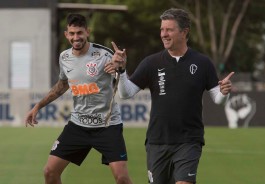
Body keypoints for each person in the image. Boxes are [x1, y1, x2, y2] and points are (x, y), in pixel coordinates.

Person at [105, 8, 234, 184]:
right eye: (162, 29)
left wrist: (224, 92)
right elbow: (126, 93)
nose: (163, 34)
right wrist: (121, 70)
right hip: (157, 141)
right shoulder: (151, 62)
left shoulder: (202, 63)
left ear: (184, 32)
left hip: (189, 141)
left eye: (169, 30)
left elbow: (218, 98)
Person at [25, 13, 132, 184]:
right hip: (78, 126)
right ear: (66, 34)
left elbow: (124, 88)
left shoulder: (104, 55)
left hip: (107, 126)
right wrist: (38, 106)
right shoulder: (64, 57)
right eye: (72, 33)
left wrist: (121, 68)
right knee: (49, 172)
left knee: (122, 178)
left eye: (80, 33)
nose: (76, 37)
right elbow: (61, 86)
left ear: (87, 32)